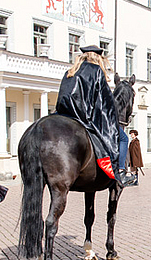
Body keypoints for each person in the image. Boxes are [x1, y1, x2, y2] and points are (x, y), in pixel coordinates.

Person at [55, 45, 137, 186]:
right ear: (98, 58)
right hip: (84, 116)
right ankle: (121, 172)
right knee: (123, 138)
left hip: (64, 114)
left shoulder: (70, 71)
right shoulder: (96, 71)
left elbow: (62, 96)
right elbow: (104, 101)